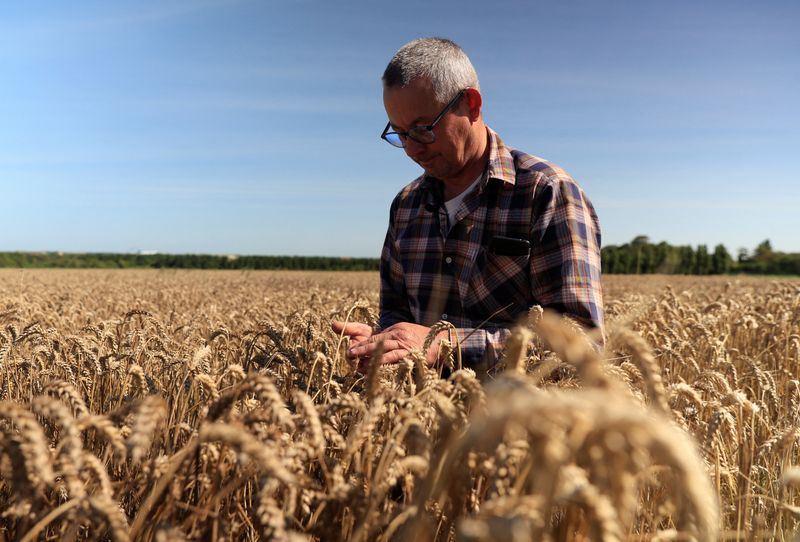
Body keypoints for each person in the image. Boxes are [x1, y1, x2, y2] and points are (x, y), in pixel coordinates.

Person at [332, 37, 603, 372]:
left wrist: (444, 345)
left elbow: (580, 343)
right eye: (400, 134)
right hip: (421, 419)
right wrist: (383, 342)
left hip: (521, 419)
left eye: (422, 129)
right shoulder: (405, 206)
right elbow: (398, 314)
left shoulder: (545, 192)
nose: (412, 149)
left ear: (471, 105)